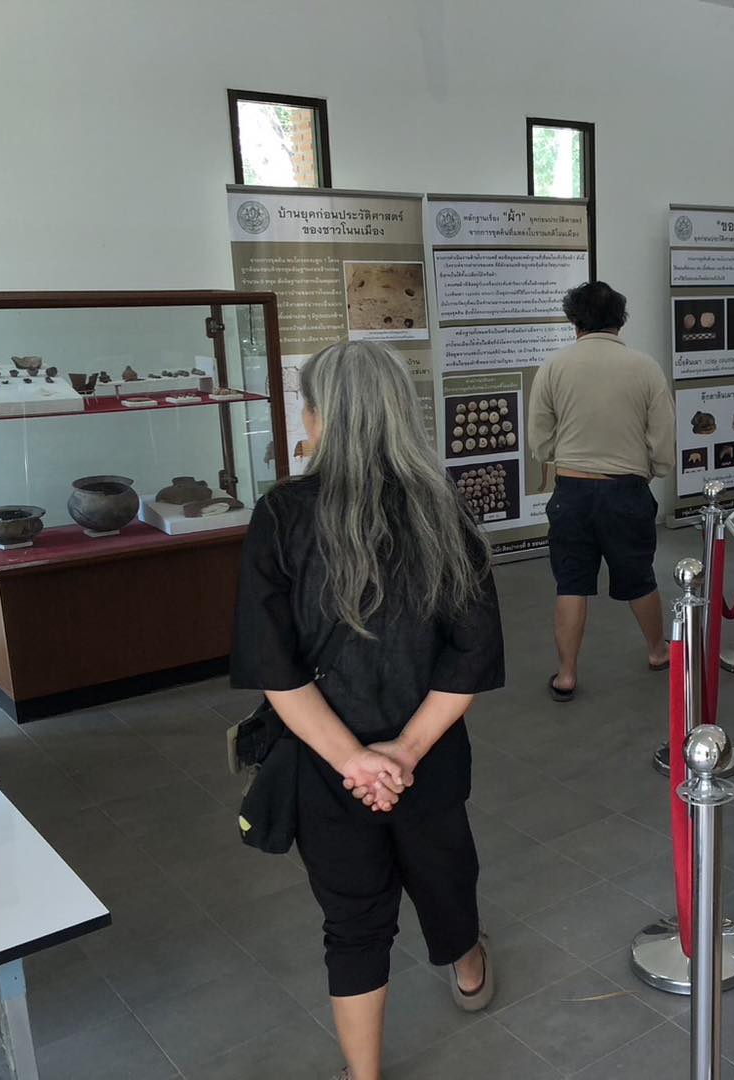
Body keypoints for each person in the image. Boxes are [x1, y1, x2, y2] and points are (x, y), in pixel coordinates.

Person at [231, 341, 505, 1080]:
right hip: (430, 755)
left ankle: (365, 1075)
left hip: (322, 764)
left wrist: (355, 761)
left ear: (319, 417)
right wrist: (404, 754)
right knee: (445, 874)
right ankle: (469, 966)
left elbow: (276, 669)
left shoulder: (282, 515)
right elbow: (470, 656)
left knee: (352, 921)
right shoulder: (444, 508)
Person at [529, 280, 676, 701]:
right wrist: (653, 470)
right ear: (620, 320)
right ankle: (657, 650)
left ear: (574, 320)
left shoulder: (554, 366)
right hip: (626, 490)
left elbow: (540, 439)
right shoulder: (644, 367)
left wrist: (562, 456)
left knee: (571, 583)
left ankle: (566, 675)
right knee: (639, 577)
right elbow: (663, 435)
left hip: (572, 491)